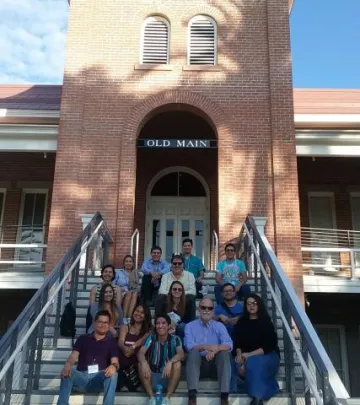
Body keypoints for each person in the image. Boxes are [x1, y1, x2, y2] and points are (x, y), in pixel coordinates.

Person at [57, 310, 119, 405]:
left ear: (108, 325)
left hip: (99, 378)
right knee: (69, 370)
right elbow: (73, 357)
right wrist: (67, 365)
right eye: (100, 322)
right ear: (94, 323)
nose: (102, 325)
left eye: (105, 322)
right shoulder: (83, 339)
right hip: (82, 377)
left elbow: (115, 361)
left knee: (113, 374)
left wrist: (113, 366)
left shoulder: (111, 342)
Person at [184, 297, 233, 405]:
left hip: (216, 366)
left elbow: (229, 344)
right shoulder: (189, 326)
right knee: (193, 353)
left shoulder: (219, 326)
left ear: (213, 310)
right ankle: (192, 398)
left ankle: (224, 397)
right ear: (199, 309)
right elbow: (189, 346)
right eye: (203, 307)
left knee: (224, 353)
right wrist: (207, 347)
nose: (206, 310)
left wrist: (216, 349)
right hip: (198, 367)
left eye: (209, 308)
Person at [234, 294, 280, 405]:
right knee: (236, 364)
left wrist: (249, 355)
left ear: (259, 305)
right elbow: (237, 343)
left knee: (254, 363)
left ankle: (257, 398)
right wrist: (239, 356)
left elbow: (269, 346)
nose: (251, 306)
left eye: (254, 303)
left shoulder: (266, 322)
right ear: (245, 306)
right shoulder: (241, 322)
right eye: (248, 303)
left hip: (268, 355)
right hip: (246, 356)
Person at [138, 314, 184, 405]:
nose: (160, 326)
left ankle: (167, 399)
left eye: (163, 323)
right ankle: (151, 399)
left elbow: (181, 354)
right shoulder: (151, 338)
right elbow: (140, 352)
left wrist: (170, 362)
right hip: (152, 377)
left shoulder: (175, 339)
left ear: (169, 326)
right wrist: (144, 363)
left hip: (168, 378)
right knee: (140, 364)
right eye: (158, 323)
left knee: (177, 363)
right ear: (155, 325)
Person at [117, 304, 152, 392]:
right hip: (124, 357)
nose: (138, 314)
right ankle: (130, 385)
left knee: (135, 359)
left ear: (146, 316)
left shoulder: (149, 330)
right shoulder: (125, 327)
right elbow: (120, 341)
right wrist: (124, 348)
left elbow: (142, 340)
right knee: (120, 357)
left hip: (137, 360)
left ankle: (127, 385)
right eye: (137, 311)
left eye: (142, 313)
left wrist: (132, 347)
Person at [156, 255, 196, 321]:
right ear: (171, 265)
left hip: (184, 301)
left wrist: (179, 294)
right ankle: (159, 322)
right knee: (160, 298)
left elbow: (193, 291)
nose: (177, 265)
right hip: (169, 301)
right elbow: (161, 291)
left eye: (179, 263)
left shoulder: (190, 275)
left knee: (191, 298)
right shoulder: (165, 276)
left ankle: (190, 324)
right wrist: (173, 294)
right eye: (174, 263)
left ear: (183, 265)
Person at [115, 255, 140, 323]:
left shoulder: (135, 273)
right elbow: (113, 285)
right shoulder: (118, 273)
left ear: (133, 263)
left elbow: (137, 286)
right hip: (121, 293)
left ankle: (128, 318)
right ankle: (124, 317)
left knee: (134, 293)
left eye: (130, 261)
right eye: (126, 261)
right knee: (129, 293)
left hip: (133, 294)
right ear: (124, 263)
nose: (128, 263)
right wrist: (122, 289)